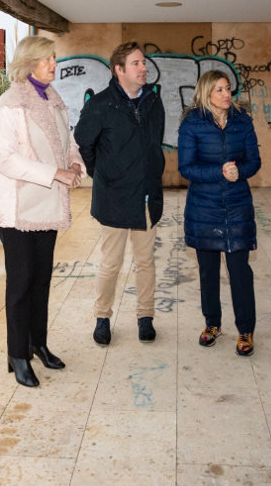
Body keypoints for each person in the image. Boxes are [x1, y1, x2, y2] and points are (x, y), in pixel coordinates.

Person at [0, 35, 85, 388]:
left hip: (47, 205)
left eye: (54, 58)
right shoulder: (9, 105)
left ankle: (37, 343)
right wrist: (54, 173)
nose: (53, 64)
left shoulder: (55, 101)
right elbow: (6, 160)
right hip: (17, 208)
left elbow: (68, 142)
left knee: (41, 279)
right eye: (47, 59)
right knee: (21, 282)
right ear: (28, 64)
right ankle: (17, 355)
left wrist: (73, 161)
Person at [74, 41, 165, 345]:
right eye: (137, 63)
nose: (144, 68)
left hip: (147, 198)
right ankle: (102, 317)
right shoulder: (100, 105)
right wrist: (102, 173)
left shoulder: (154, 103)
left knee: (145, 262)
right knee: (111, 263)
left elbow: (154, 146)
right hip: (113, 197)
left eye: (144, 63)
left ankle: (145, 316)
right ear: (119, 70)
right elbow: (84, 143)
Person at [178, 70, 261, 356]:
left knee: (240, 271)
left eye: (228, 89)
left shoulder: (243, 122)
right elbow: (186, 168)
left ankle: (246, 330)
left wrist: (240, 172)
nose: (227, 95)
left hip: (238, 205)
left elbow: (254, 161)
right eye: (220, 90)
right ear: (206, 93)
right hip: (204, 208)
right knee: (208, 272)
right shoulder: (192, 124)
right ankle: (212, 324)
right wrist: (219, 172)